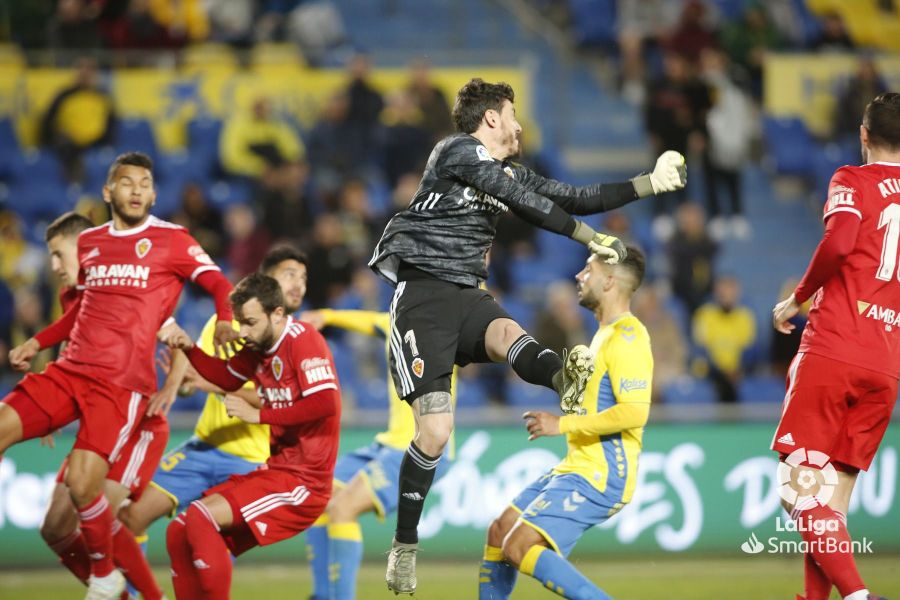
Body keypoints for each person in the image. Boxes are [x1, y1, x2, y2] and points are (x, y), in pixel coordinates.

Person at [368, 77, 685, 593]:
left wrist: (649, 182)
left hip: (467, 292)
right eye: (512, 114)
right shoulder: (456, 151)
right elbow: (533, 205)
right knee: (434, 435)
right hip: (423, 299)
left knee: (509, 333)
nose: (519, 124)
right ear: (491, 118)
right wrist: (593, 239)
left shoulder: (504, 170)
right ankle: (404, 546)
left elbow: (573, 197)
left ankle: (564, 379)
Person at [2, 151, 237, 600]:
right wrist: (37, 346)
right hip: (72, 375)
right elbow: (83, 317)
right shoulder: (91, 252)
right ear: (109, 192)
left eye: (145, 183)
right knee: (52, 516)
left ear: (153, 192)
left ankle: (125, 588)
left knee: (92, 499)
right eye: (127, 183)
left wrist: (177, 377)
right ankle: (111, 583)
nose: (137, 190)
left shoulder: (170, 245)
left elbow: (195, 311)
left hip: (127, 396)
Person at [771, 93, 900, 600]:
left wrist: (796, 300)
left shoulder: (852, 178)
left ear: (863, 135)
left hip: (835, 349)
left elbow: (841, 241)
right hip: (886, 364)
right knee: (829, 507)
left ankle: (857, 596)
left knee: (797, 490)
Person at [479, 246, 653, 600]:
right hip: (578, 464)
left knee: (519, 545)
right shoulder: (602, 334)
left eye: (588, 269)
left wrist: (563, 425)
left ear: (609, 280)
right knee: (500, 532)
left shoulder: (628, 337)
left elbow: (635, 412)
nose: (579, 275)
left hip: (604, 473)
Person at [19, 211, 171, 600]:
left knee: (102, 512)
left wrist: (171, 385)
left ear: (87, 247)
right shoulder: (71, 296)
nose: (54, 266)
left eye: (59, 254)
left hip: (138, 422)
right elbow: (75, 356)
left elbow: (176, 334)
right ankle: (114, 594)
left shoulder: (128, 279)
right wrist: (52, 407)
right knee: (54, 528)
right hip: (98, 417)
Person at [161, 273, 341, 600]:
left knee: (201, 519)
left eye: (251, 322)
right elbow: (227, 378)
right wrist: (188, 347)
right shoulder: (257, 346)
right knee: (179, 530)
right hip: (278, 472)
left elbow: (325, 403)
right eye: (240, 322)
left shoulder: (303, 339)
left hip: (305, 483)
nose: (243, 332)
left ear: (277, 314)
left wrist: (259, 415)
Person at [118, 245, 309, 551]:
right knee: (130, 517)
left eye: (303, 277)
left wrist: (209, 384)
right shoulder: (228, 321)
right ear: (265, 280)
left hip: (251, 462)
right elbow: (194, 358)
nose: (299, 284)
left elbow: (278, 399)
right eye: (290, 275)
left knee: (207, 547)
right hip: (203, 446)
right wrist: (179, 385)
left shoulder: (299, 339)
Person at [300, 308, 455, 600]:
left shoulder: (446, 323)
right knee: (318, 496)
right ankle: (323, 595)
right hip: (388, 444)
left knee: (343, 508)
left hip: (420, 447)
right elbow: (371, 321)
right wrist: (327, 316)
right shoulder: (395, 321)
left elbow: (476, 296)